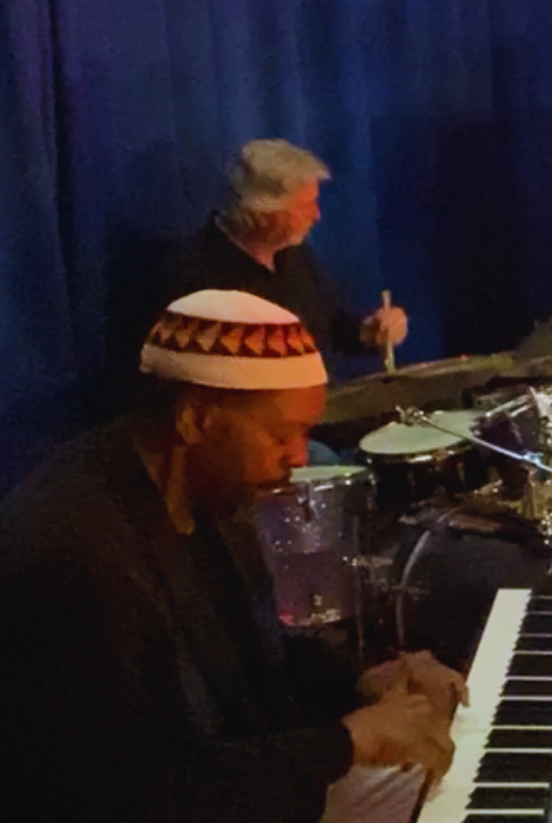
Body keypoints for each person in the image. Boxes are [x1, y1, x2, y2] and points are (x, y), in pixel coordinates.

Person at [0, 289, 463, 823]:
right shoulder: (69, 560)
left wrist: (364, 680)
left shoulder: (202, 494)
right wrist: (345, 742)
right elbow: (130, 797)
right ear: (195, 418)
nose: (297, 458)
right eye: (282, 435)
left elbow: (261, 655)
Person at [165, 139, 407, 362]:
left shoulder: (294, 256)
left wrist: (369, 331)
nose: (316, 215)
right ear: (260, 212)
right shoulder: (195, 275)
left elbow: (328, 329)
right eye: (305, 206)